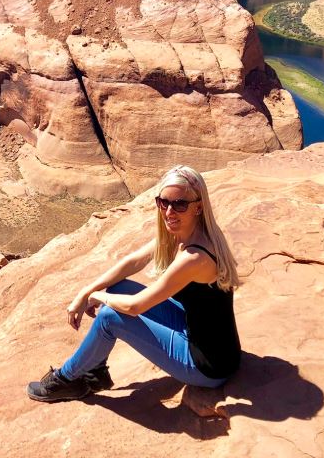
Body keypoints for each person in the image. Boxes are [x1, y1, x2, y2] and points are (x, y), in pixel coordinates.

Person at [27, 164, 242, 402]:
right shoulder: (187, 233)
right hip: (197, 332)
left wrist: (97, 297)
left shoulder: (194, 257)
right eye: (163, 202)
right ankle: (94, 369)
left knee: (110, 317)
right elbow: (134, 261)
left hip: (207, 365)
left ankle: (66, 381)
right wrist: (87, 290)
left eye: (180, 204)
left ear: (198, 207)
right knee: (119, 288)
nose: (170, 211)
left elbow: (135, 307)